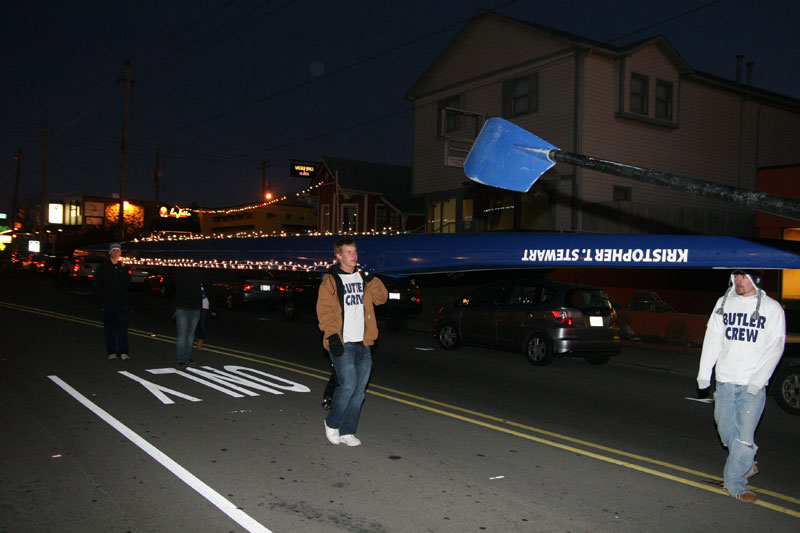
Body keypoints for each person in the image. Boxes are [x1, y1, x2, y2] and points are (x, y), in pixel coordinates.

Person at [697, 269, 785, 503]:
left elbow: (775, 347)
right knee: (725, 430)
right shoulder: (723, 302)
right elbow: (713, 337)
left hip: (751, 386)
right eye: (735, 276)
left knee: (744, 437)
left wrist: (757, 382)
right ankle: (748, 462)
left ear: (755, 279)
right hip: (725, 381)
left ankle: (735, 484)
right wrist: (704, 374)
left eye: (743, 276)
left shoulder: (772, 309)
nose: (738, 280)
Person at [317, 237, 388, 446]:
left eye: (355, 251)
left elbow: (381, 298)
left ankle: (347, 431)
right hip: (343, 342)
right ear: (338, 256)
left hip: (364, 343)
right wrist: (332, 336)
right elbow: (325, 311)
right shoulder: (330, 281)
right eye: (349, 252)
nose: (353, 255)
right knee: (347, 386)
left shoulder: (362, 278)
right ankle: (332, 423)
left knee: (359, 392)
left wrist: (371, 278)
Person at [92, 243, 131, 360]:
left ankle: (123, 351)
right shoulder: (104, 267)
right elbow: (96, 283)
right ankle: (112, 352)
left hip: (122, 302)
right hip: (108, 302)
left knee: (122, 328)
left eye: (117, 251)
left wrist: (123, 269)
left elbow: (127, 281)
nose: (115, 253)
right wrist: (102, 297)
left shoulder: (123, 267)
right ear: (110, 253)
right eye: (113, 251)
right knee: (110, 328)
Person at [174, 267, 211, 367]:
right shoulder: (199, 272)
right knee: (188, 334)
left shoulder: (181, 272)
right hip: (191, 306)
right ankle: (186, 358)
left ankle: (184, 358)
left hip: (186, 306)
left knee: (184, 334)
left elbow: (177, 284)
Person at [194, 269, 216, 350]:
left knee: (201, 324)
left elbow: (211, 294)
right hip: (195, 305)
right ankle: (192, 340)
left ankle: (200, 343)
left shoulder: (206, 281)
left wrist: (213, 308)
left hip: (204, 305)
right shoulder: (193, 280)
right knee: (194, 323)